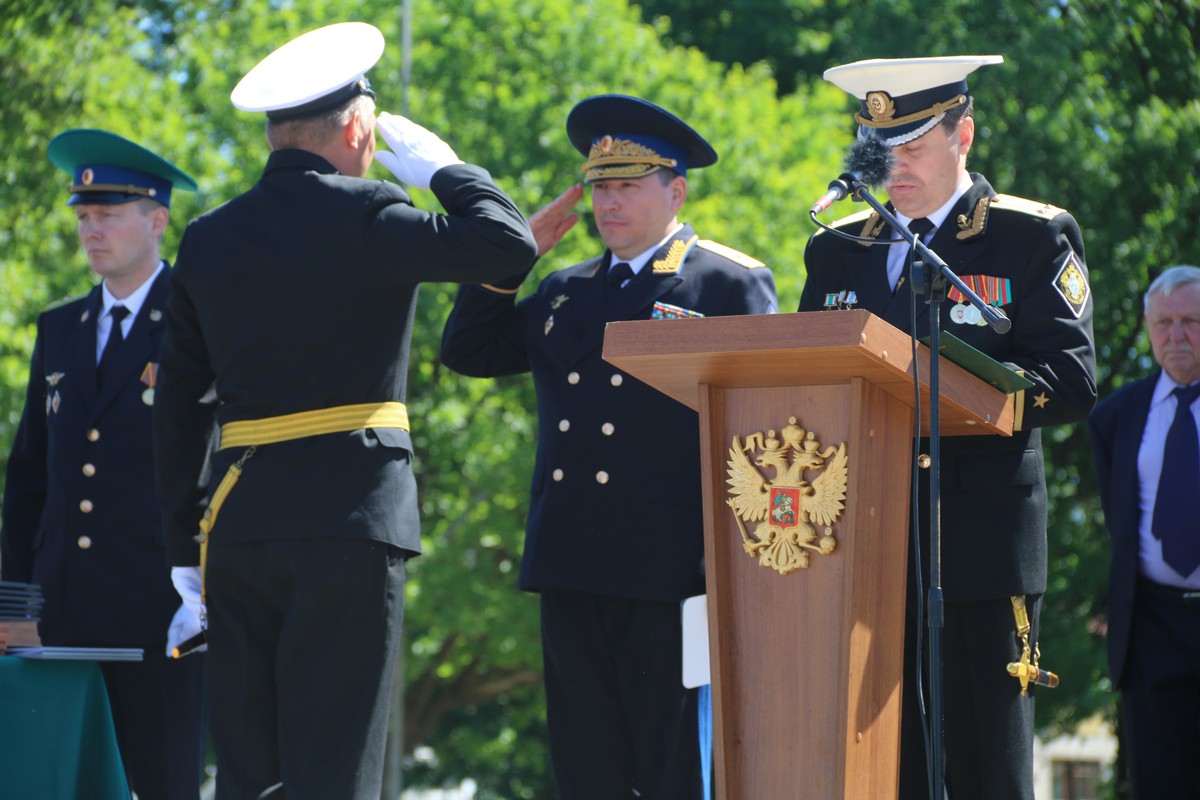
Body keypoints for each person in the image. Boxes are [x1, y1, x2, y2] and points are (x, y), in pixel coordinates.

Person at [151, 22, 536, 800]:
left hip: (237, 527)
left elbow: (179, 409)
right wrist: (450, 171)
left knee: (249, 773)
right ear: (360, 126)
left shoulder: (208, 239)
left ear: (275, 134)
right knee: (336, 769)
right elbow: (509, 246)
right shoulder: (371, 215)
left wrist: (183, 551)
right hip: (349, 524)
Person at [441, 94, 777, 799]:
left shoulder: (724, 282)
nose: (608, 202)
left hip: (673, 570)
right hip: (571, 560)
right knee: (585, 770)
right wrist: (516, 256)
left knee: (674, 767)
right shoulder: (567, 290)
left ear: (675, 190)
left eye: (627, 185)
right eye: (598, 187)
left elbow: (761, 433)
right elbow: (467, 349)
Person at [799, 57, 1097, 799]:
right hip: (864, 542)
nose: (892, 164)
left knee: (985, 766)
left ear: (963, 133)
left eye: (913, 145)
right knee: (879, 766)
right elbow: (807, 382)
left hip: (980, 543)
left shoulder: (1029, 238)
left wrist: (951, 385)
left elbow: (1070, 382)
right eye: (877, 148)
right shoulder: (835, 248)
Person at [1, 128, 206, 799]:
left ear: (157, 219)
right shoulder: (58, 329)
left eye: (109, 215)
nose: (92, 231)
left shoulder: (197, 322)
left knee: (158, 782)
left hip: (161, 615)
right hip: (60, 618)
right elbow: (30, 475)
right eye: (84, 217)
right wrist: (14, 602)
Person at [1089, 265, 1200, 798]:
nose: (1176, 336)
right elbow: (1119, 520)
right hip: (1151, 625)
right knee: (1159, 782)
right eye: (1164, 323)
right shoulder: (1114, 417)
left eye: (1190, 322)